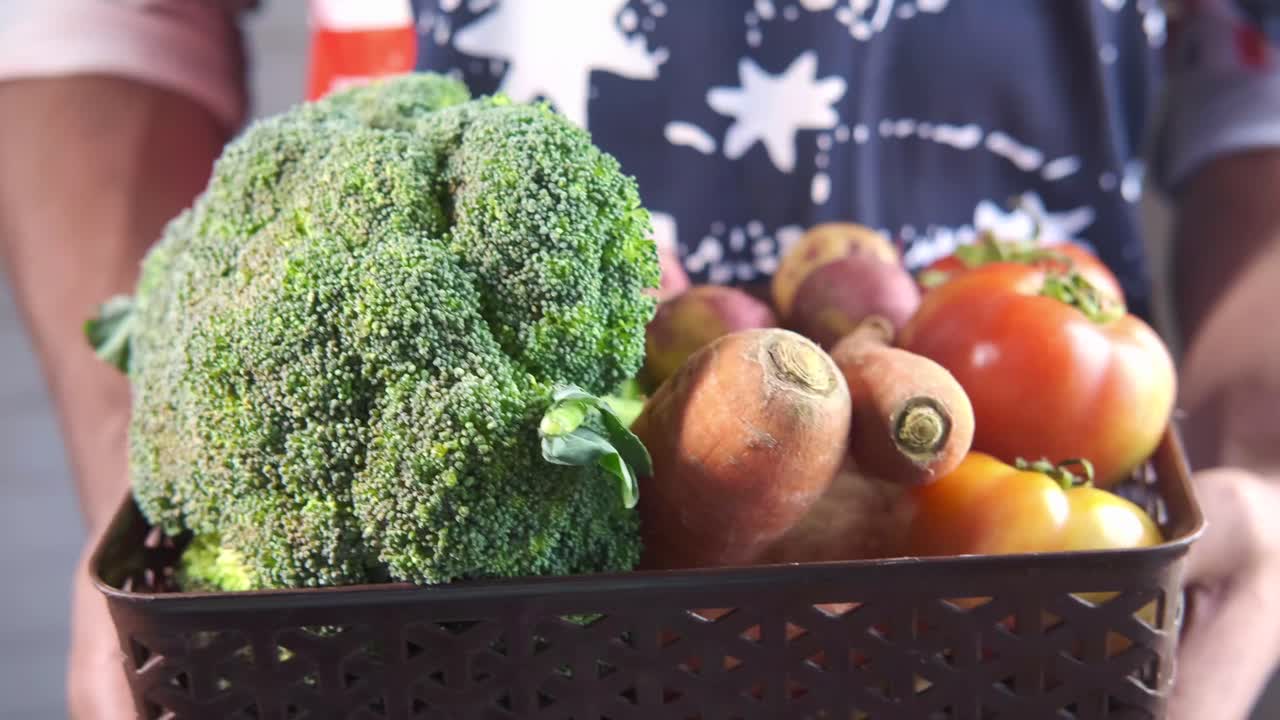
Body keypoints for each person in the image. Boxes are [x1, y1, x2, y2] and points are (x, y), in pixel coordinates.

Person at [1, 1, 1277, 717]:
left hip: (1028, 586)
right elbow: (91, 24)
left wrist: (1250, 469)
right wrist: (158, 455)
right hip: (421, 639)